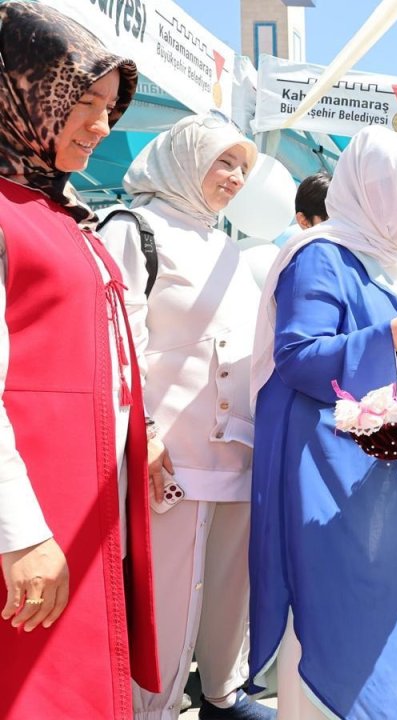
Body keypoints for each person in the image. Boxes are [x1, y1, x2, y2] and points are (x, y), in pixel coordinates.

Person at [247, 125, 397, 719]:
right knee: (333, 610)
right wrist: (380, 339)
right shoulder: (320, 256)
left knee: (396, 609)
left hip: (390, 470)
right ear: (378, 188)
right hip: (326, 469)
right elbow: (296, 356)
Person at [0, 4, 161, 716]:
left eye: (107, 107)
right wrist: (19, 533)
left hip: (86, 510)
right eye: (84, 103)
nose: (101, 125)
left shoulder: (61, 212)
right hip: (34, 519)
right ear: (24, 94)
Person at [99, 114, 272, 720]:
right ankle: (152, 709)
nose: (236, 178)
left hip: (237, 453)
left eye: (243, 168)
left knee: (229, 590)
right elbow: (116, 339)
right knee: (166, 597)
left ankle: (223, 696)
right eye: (223, 161)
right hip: (166, 456)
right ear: (184, 158)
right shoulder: (133, 228)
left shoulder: (225, 245)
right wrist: (141, 431)